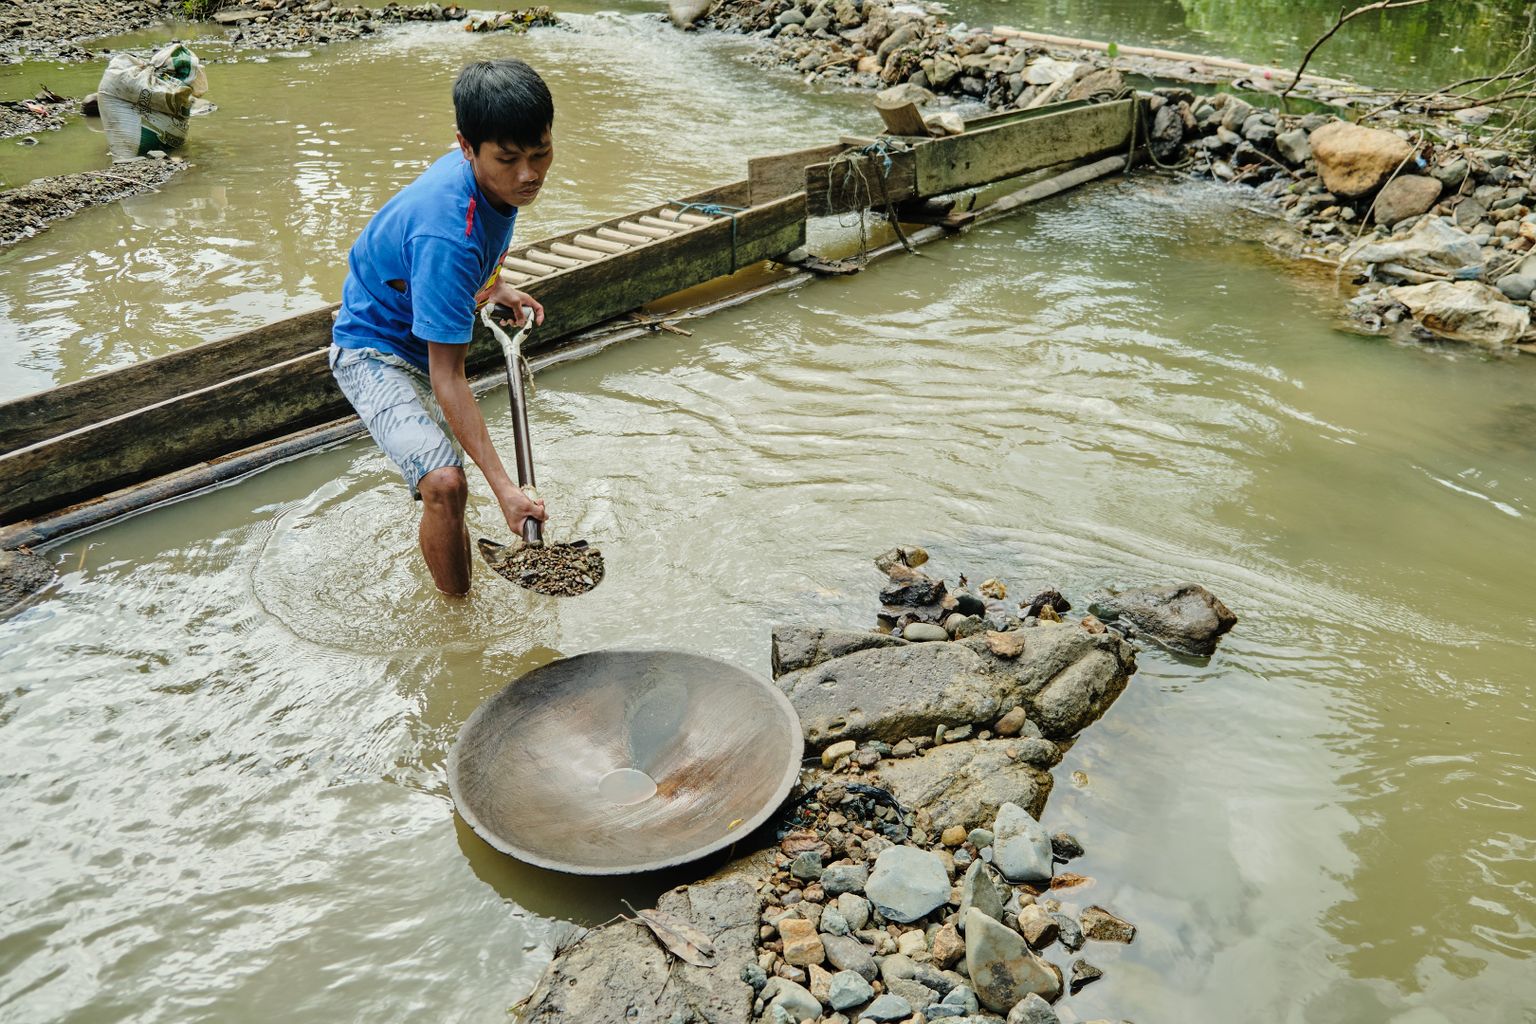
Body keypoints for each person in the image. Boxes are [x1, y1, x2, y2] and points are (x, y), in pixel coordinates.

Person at [329, 58, 554, 596]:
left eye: (540, 153)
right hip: (372, 349)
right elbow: (446, 376)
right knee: (446, 483)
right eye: (508, 159)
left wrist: (493, 283)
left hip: (418, 316)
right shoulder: (447, 235)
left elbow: (490, 233)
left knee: (451, 476)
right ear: (466, 146)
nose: (528, 175)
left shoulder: (495, 184)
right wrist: (505, 491)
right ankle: (458, 624)